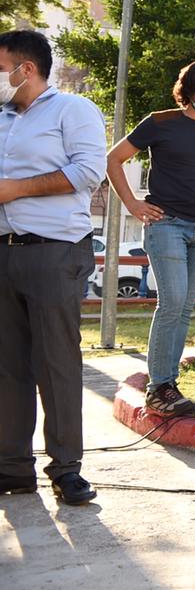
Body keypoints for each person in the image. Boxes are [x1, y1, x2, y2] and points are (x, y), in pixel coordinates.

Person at [0, 29, 107, 506]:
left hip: (54, 250)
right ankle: (12, 468)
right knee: (7, 366)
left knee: (55, 363)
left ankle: (66, 469)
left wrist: (16, 189)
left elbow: (88, 171)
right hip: (4, 250)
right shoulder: (1, 118)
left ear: (26, 69)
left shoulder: (73, 109)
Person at [107, 58, 195, 417]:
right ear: (189, 89)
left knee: (184, 306)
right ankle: (158, 389)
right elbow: (114, 159)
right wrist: (132, 203)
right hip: (166, 223)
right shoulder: (160, 122)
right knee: (173, 302)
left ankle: (168, 386)